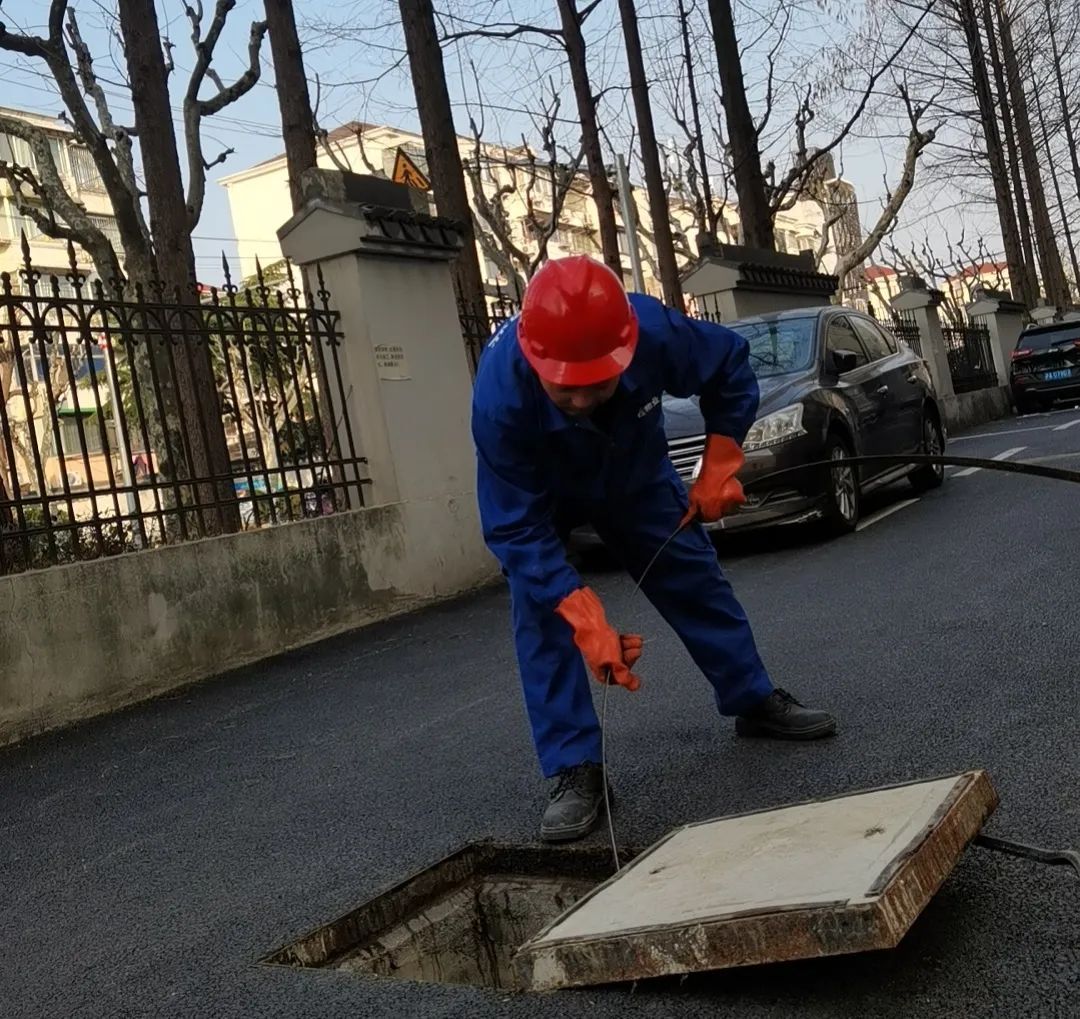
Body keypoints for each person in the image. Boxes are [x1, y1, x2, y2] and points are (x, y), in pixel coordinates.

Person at [471, 256, 836, 843]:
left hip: (634, 476)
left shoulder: (651, 330)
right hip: (544, 497)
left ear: (624, 350)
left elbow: (728, 365)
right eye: (567, 389)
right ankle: (575, 767)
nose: (583, 401)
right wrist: (584, 616)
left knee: (692, 576)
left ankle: (751, 697)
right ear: (536, 363)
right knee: (541, 613)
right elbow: (514, 528)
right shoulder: (499, 397)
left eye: (598, 385)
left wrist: (720, 463)